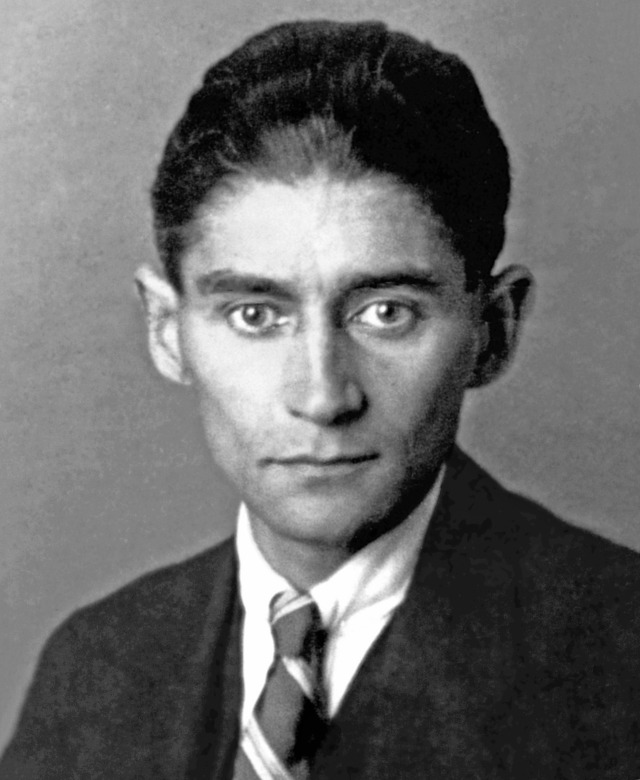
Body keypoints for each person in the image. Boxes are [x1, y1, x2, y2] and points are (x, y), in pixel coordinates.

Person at [2, 19, 639, 780]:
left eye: (386, 313)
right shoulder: (94, 667)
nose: (322, 396)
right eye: (255, 316)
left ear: (492, 330)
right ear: (167, 332)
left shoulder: (619, 659)